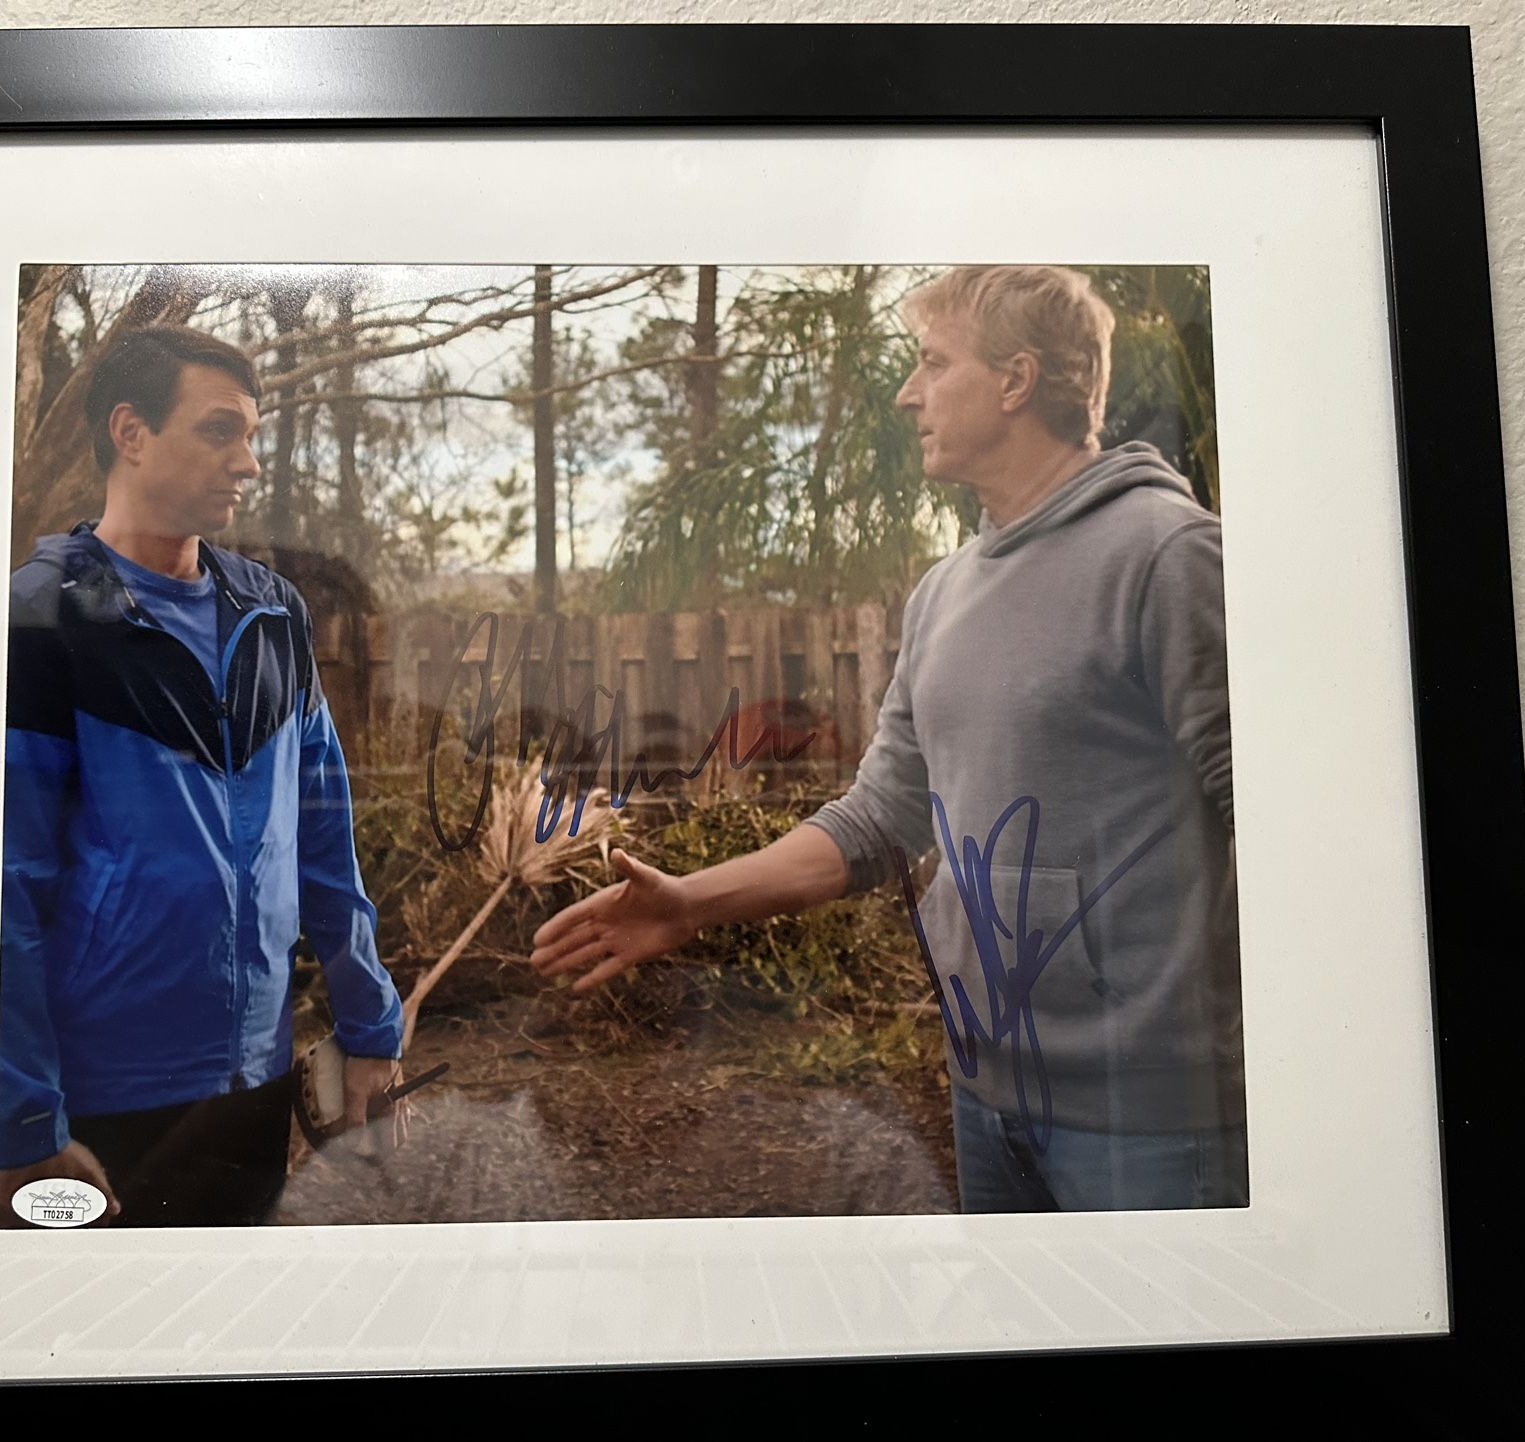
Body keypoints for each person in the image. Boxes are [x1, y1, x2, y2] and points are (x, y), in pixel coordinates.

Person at [530, 265, 1245, 1214]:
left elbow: (1279, 827)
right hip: (986, 1092)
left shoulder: (1168, 556)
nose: (910, 391)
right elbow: (880, 818)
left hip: (1149, 1121)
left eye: (932, 363)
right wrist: (690, 905)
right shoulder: (943, 592)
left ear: (1016, 380)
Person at [0, 323, 408, 1228]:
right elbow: (3, 892)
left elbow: (325, 841)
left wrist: (370, 1026)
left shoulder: (272, 617)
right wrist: (22, 1123)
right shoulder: (44, 616)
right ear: (130, 433)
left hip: (254, 1079)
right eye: (221, 431)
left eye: (252, 436)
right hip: (98, 1098)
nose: (249, 463)